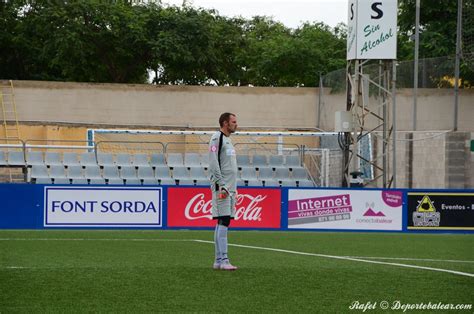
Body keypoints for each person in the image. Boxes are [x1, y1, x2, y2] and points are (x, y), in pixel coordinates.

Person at [208, 112, 238, 271]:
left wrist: (234, 189)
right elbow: (213, 162)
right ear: (225, 123)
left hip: (230, 189)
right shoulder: (216, 137)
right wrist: (222, 184)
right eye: (233, 121)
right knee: (224, 220)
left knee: (223, 221)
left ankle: (218, 260)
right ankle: (224, 260)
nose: (236, 124)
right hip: (223, 188)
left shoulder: (229, 140)